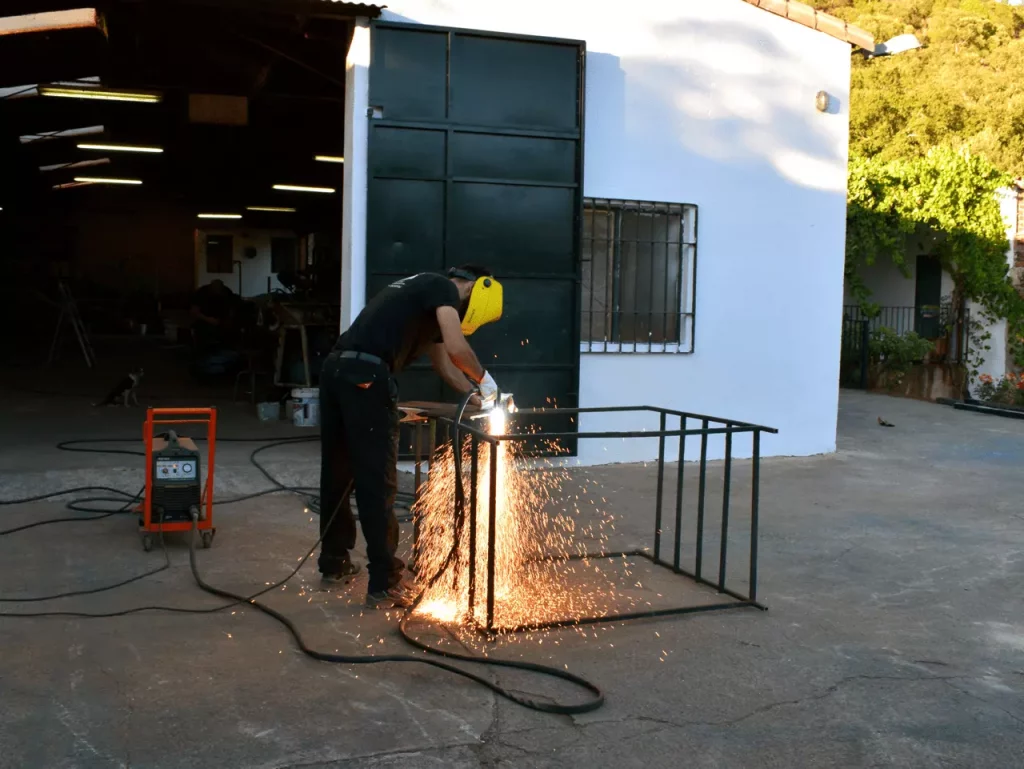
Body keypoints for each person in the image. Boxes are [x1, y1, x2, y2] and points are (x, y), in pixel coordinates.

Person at [318, 266, 503, 609]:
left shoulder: (422, 297)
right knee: (377, 480)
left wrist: (476, 398)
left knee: (338, 473)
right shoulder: (443, 288)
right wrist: (489, 382)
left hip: (336, 370)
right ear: (475, 289)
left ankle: (334, 564)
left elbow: (446, 366)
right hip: (367, 377)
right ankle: (385, 583)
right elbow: (459, 350)